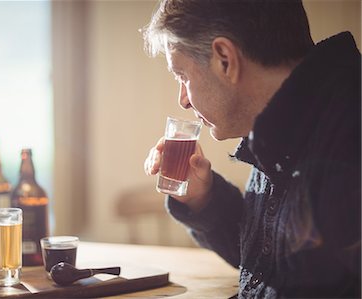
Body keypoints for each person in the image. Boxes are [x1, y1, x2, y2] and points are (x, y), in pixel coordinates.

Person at [142, 0, 361, 298]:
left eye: (182, 76)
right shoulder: (286, 120)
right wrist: (203, 199)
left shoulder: (350, 127)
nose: (183, 99)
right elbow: (274, 262)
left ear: (225, 60)